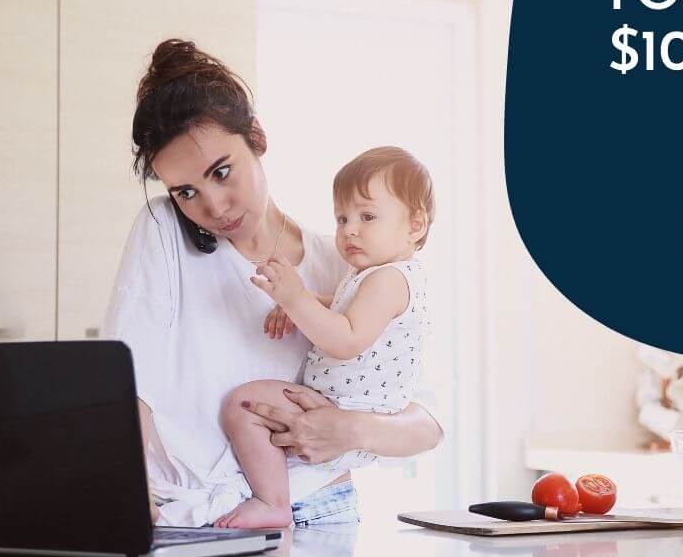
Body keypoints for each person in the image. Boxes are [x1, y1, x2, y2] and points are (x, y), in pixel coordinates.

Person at [102, 39, 443, 527]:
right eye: (186, 192)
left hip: (324, 508)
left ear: (256, 139)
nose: (213, 207)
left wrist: (350, 429)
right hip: (200, 515)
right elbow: (126, 381)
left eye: (222, 172)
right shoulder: (163, 231)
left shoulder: (348, 261)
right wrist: (132, 503)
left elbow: (427, 422)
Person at [214, 146, 434, 528]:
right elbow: (345, 308)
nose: (350, 229)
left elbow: (347, 339)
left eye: (367, 216)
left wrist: (295, 298)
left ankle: (272, 501)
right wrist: (308, 303)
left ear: (415, 225)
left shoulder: (389, 279)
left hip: (346, 411)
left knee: (243, 406)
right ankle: (274, 499)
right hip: (343, 410)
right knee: (251, 407)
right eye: (342, 218)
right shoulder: (374, 277)